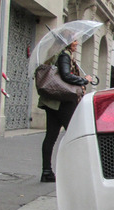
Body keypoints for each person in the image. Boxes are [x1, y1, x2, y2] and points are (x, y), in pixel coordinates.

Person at [38, 40, 93, 182]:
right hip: (64, 102)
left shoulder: (59, 55)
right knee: (75, 135)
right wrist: (84, 80)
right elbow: (66, 76)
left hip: (53, 102)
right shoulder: (64, 55)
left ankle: (47, 171)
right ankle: (75, 171)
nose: (77, 43)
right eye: (75, 40)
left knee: (51, 136)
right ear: (68, 43)